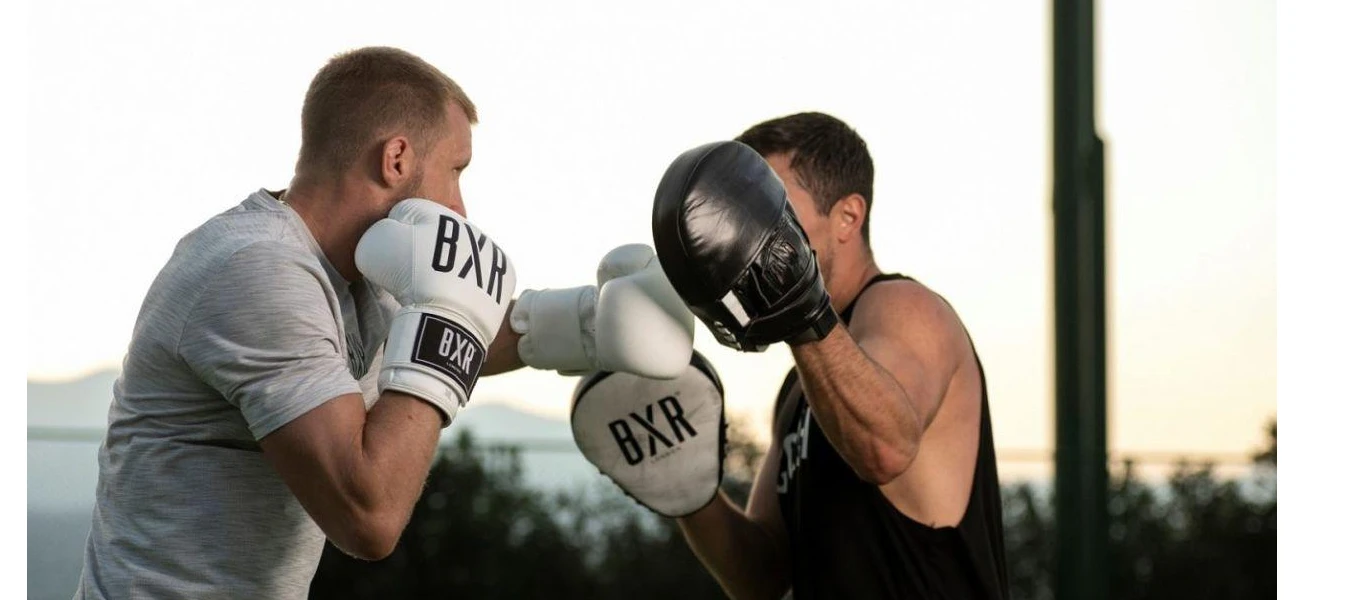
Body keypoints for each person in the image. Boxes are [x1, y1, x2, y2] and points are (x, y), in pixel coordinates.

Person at [74, 46, 691, 600]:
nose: (460, 208)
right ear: (396, 158)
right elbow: (368, 514)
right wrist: (447, 313)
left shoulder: (357, 275)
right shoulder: (258, 271)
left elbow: (471, 329)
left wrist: (590, 324)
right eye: (456, 169)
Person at [646, 113, 1010, 599]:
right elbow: (763, 578)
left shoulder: (904, 308)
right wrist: (686, 490)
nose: (749, 227)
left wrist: (801, 311)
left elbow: (886, 448)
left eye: (770, 205)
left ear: (848, 217)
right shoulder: (801, 386)